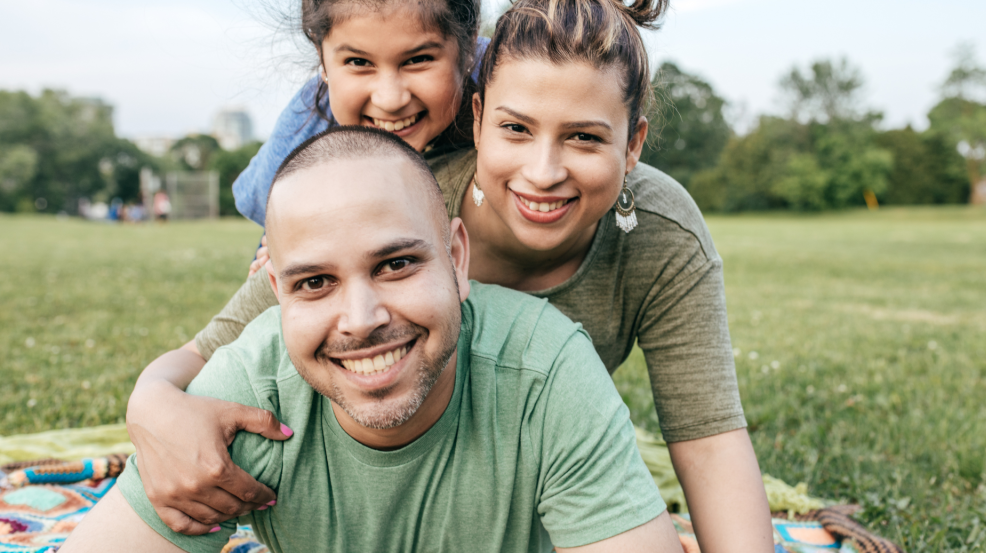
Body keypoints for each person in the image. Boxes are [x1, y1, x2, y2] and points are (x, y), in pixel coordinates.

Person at [127, 0, 774, 553]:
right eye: (516, 129)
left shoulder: (659, 234)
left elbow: (710, 437)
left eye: (582, 137)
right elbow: (224, 343)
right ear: (480, 113)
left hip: (528, 482)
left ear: (633, 145)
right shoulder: (405, 203)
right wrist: (151, 401)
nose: (543, 171)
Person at [62, 127, 681, 553]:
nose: (359, 319)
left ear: (457, 258)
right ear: (275, 289)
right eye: (315, 282)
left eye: (395, 265)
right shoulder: (248, 398)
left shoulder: (547, 374)